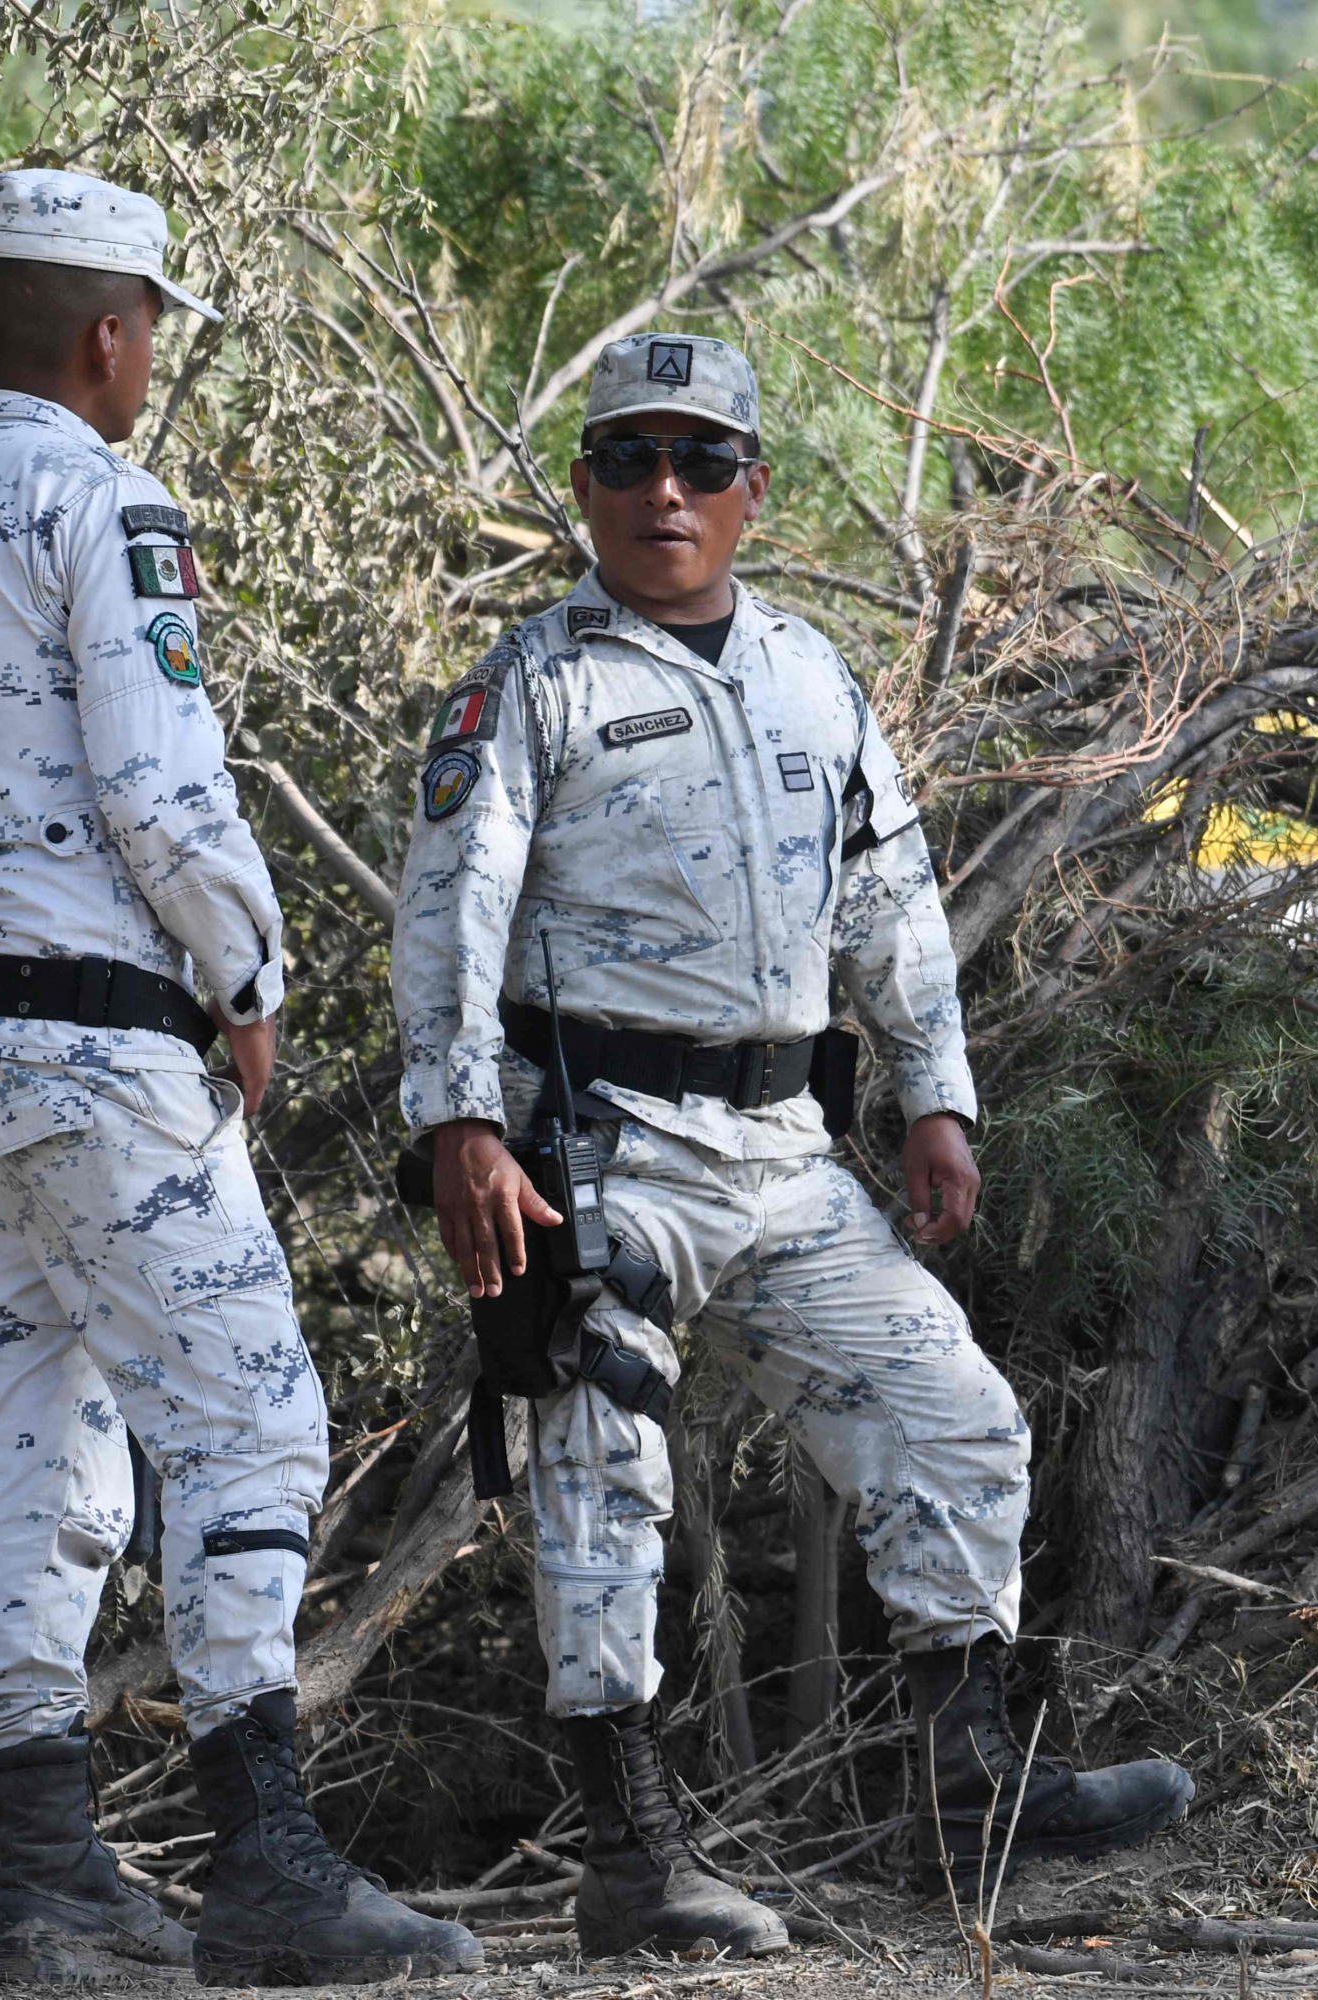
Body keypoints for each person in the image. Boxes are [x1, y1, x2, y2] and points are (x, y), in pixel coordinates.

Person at [390, 331, 1195, 1957]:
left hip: (780, 1148)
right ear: (585, 488)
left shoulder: (814, 673)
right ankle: (631, 1858)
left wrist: (935, 1094)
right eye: (628, 460)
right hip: (600, 1145)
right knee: (601, 1450)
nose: (664, 492)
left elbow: (889, 896)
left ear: (754, 489)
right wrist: (458, 1123)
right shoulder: (535, 679)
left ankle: (970, 1801)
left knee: (951, 1409)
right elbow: (452, 912)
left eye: (699, 462)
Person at [0, 167, 480, 1989]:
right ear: (112, 336)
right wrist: (248, 972)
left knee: (44, 1426)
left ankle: (53, 1879)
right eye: (155, 329)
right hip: (103, 1041)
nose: (155, 362)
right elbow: (162, 786)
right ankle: (264, 1867)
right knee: (250, 1426)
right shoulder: (109, 501)